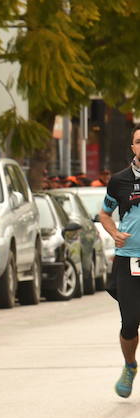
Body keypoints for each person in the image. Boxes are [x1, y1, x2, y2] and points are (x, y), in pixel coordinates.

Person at [100, 124, 140, 398]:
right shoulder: (119, 180)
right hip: (129, 260)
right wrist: (114, 233)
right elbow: (104, 214)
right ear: (132, 147)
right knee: (129, 323)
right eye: (139, 141)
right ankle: (129, 365)